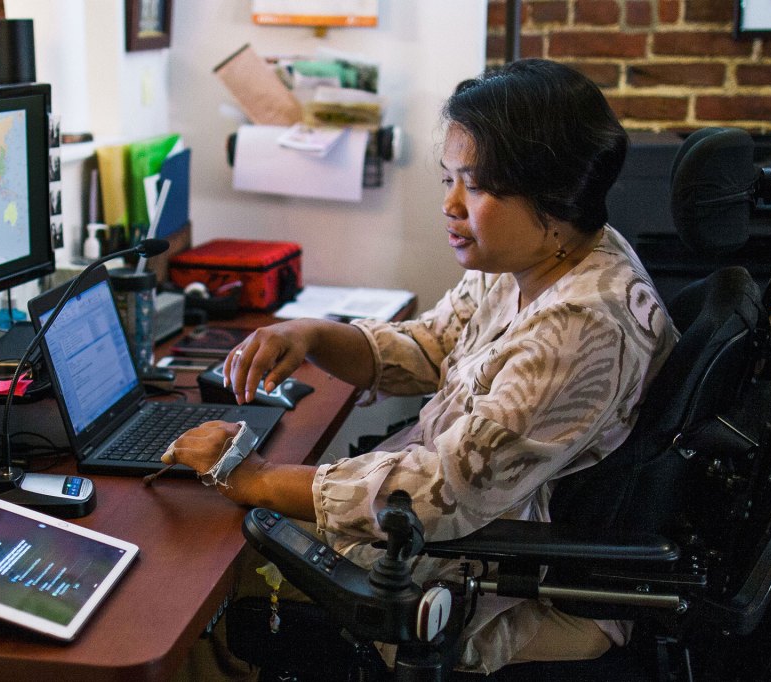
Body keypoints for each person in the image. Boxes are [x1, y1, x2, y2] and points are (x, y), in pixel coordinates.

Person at [166, 58, 677, 678]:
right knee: (214, 545)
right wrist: (314, 335)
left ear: (554, 194)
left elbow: (445, 492)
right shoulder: (547, 255)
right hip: (466, 532)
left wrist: (256, 480)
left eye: (478, 186)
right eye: (449, 179)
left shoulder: (581, 326)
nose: (451, 205)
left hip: (501, 578)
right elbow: (435, 349)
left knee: (196, 600)